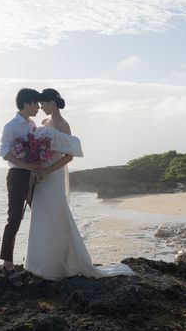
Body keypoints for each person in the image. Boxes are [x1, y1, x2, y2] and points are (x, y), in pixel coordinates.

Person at [24, 88, 134, 280]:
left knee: (55, 216)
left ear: (52, 103)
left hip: (53, 176)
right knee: (40, 217)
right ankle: (39, 263)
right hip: (41, 175)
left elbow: (69, 156)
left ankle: (56, 265)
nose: (40, 108)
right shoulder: (45, 123)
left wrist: (47, 170)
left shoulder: (63, 125)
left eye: (43, 104)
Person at [0, 87, 42, 287]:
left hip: (34, 176)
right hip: (17, 175)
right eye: (35, 103)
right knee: (15, 219)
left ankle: (37, 258)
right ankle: (8, 265)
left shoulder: (32, 124)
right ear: (26, 103)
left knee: (41, 216)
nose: (38, 107)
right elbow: (4, 152)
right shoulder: (11, 126)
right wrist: (25, 165)